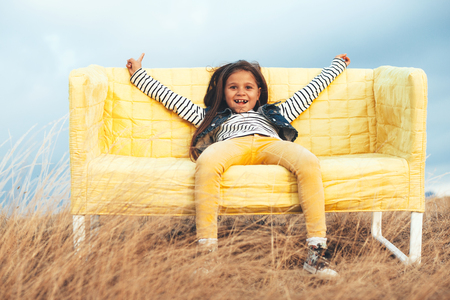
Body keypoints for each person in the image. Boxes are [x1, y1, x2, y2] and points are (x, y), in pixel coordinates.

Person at [126, 53, 350, 276]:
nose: (241, 92)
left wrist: (337, 65)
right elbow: (171, 99)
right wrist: (138, 74)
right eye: (233, 87)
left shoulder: (275, 113)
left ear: (258, 92)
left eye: (248, 87)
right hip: (231, 144)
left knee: (309, 161)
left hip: (269, 143)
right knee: (206, 162)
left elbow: (311, 91)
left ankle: (316, 254)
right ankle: (207, 255)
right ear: (223, 93)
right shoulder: (211, 116)